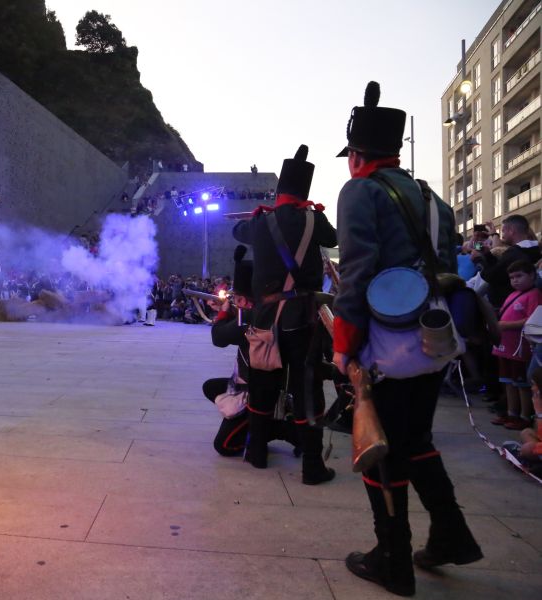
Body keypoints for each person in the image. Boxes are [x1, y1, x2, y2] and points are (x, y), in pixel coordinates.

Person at [332, 82, 482, 597]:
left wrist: (342, 343)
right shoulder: (433, 197)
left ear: (356, 155)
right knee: (416, 439)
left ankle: (392, 558)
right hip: (435, 336)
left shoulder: (359, 191)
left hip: (386, 342)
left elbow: (356, 271)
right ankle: (451, 535)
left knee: (381, 448)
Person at [233, 144, 337, 484]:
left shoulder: (262, 221)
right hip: (303, 317)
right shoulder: (314, 218)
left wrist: (257, 218)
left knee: (262, 383)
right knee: (308, 389)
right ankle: (311, 465)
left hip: (265, 317)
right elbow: (333, 237)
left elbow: (238, 233)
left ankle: (257, 451)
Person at [205, 246, 299, 456]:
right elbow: (238, 334)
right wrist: (227, 314)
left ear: (246, 300)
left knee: (224, 446)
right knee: (210, 387)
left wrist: (222, 315)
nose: (234, 301)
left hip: (257, 392)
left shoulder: (248, 318)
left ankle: (279, 429)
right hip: (267, 385)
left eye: (237, 298)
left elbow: (218, 338)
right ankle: (254, 424)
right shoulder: (266, 312)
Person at [490, 260, 540, 430]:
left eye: (519, 276)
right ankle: (512, 413)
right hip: (505, 346)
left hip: (520, 348)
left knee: (522, 384)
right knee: (508, 382)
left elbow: (532, 320)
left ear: (532, 275)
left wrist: (505, 325)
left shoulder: (534, 295)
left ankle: (524, 416)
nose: (515, 280)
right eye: (512, 277)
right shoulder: (512, 295)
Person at [472, 215, 541, 309]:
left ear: (511, 230)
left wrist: (478, 259)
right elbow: (500, 268)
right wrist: (488, 255)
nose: (502, 235)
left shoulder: (514, 253)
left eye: (503, 231)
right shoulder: (536, 249)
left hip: (506, 306)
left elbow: (491, 276)